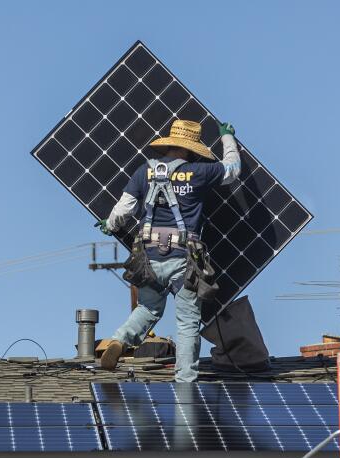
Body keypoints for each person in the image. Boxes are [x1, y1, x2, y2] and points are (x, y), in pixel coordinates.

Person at [95, 118, 241, 381]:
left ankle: (118, 341)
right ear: (189, 148)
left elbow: (124, 208)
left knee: (148, 308)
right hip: (183, 258)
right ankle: (185, 380)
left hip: (148, 257)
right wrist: (227, 137)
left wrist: (109, 224)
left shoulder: (144, 172)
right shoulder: (198, 172)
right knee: (187, 322)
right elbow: (232, 169)